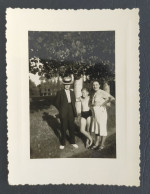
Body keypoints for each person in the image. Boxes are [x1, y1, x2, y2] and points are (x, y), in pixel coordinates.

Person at [55, 76, 78, 150]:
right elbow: (56, 103)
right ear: (64, 85)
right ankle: (62, 143)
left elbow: (74, 102)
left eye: (68, 84)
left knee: (72, 126)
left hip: (71, 110)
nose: (67, 85)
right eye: (65, 84)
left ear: (70, 85)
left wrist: (74, 110)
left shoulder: (72, 92)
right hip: (63, 111)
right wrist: (61, 110)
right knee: (63, 127)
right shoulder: (60, 92)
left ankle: (73, 142)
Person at [91, 80, 115, 150]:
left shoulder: (101, 92)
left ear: (99, 85)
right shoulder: (95, 93)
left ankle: (102, 145)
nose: (95, 86)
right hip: (96, 113)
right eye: (93, 85)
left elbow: (112, 98)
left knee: (102, 128)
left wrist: (104, 104)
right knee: (97, 128)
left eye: (96, 84)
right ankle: (96, 143)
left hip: (101, 112)